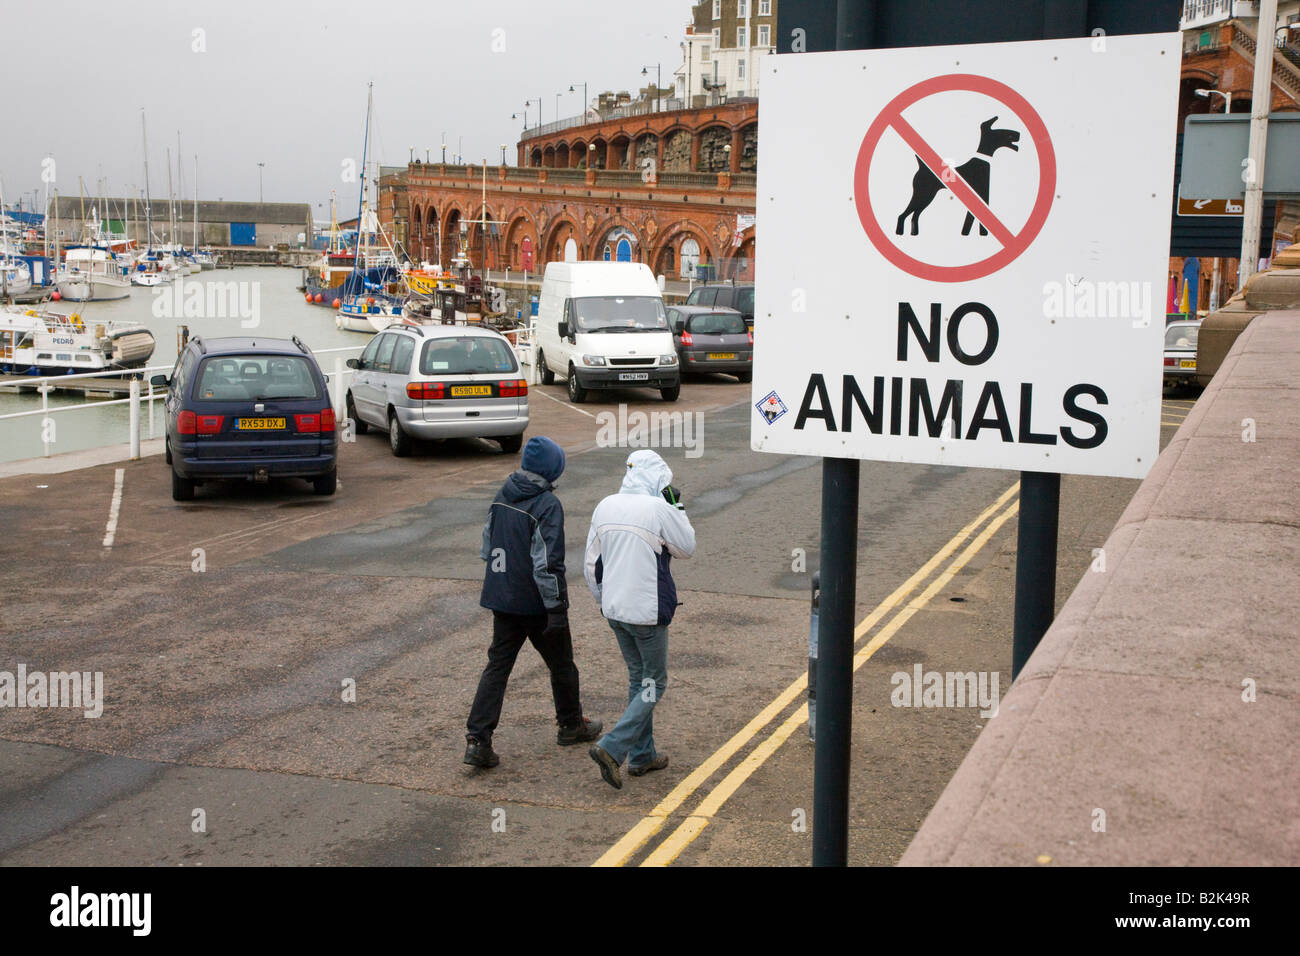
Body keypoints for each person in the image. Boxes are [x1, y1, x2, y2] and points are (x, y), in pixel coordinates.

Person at [464, 436, 602, 768]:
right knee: (562, 664)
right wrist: (556, 608)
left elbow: (487, 544)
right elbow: (547, 563)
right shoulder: (546, 505)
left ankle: (477, 739)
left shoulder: (503, 494)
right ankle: (570, 724)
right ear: (552, 470)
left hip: (502, 596)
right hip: (536, 603)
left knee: (497, 668)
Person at [584, 449, 695, 789]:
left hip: (615, 609)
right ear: (658, 479)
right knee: (655, 682)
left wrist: (605, 602)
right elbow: (687, 547)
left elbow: (591, 565)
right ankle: (612, 747)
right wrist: (676, 506)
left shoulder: (605, 505)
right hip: (647, 613)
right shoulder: (659, 509)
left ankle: (643, 756)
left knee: (639, 679)